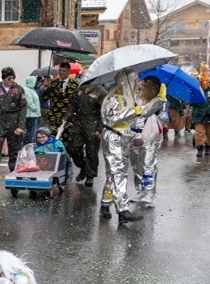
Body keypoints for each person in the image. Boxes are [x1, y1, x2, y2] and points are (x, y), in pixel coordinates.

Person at [98, 72, 144, 223]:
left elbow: (132, 122)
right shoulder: (114, 99)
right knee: (118, 174)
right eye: (134, 81)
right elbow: (111, 120)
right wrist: (132, 112)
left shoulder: (129, 99)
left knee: (115, 174)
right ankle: (123, 210)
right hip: (113, 138)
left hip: (124, 139)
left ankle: (106, 204)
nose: (137, 83)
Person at [129, 76, 169, 207]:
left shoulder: (161, 100)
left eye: (146, 84)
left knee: (148, 163)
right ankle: (140, 190)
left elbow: (165, 119)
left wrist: (155, 112)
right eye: (143, 83)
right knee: (136, 163)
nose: (142, 86)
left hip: (151, 136)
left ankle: (150, 192)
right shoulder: (137, 98)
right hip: (135, 135)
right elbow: (132, 117)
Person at [65, 82, 103, 186]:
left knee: (92, 151)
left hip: (93, 123)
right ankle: (83, 166)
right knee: (73, 146)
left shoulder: (101, 92)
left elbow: (104, 111)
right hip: (78, 122)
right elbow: (72, 105)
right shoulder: (79, 90)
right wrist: (66, 117)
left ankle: (90, 175)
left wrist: (100, 128)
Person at [42, 61, 78, 132]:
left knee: (65, 138)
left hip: (67, 119)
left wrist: (72, 117)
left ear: (69, 72)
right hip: (53, 118)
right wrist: (46, 87)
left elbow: (76, 102)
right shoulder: (54, 83)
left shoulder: (74, 85)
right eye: (60, 70)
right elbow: (44, 97)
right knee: (51, 137)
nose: (61, 73)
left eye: (64, 71)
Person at [22, 74, 43, 145]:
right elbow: (29, 102)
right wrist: (35, 108)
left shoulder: (32, 90)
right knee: (31, 131)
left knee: (35, 131)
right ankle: (27, 144)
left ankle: (33, 144)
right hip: (31, 114)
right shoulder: (26, 90)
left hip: (36, 114)